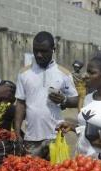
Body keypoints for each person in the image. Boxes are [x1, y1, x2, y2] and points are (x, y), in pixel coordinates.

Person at [14, 31, 78, 159]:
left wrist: (64, 100)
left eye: (43, 51)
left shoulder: (63, 74)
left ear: (53, 50)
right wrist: (17, 131)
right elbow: (20, 104)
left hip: (55, 137)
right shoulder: (24, 73)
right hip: (31, 138)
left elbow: (76, 100)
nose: (39, 55)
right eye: (36, 50)